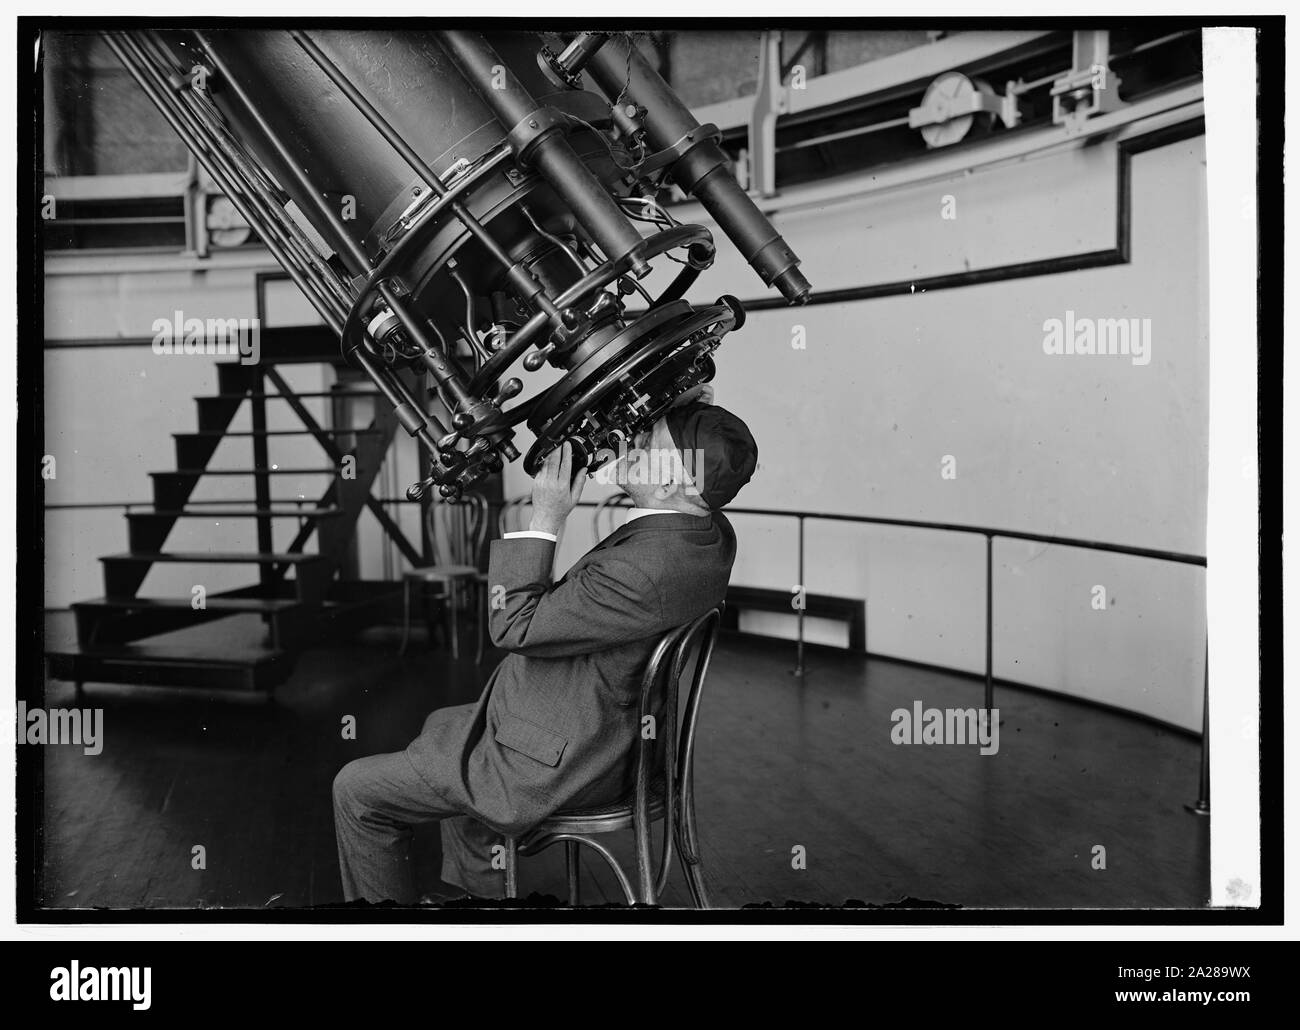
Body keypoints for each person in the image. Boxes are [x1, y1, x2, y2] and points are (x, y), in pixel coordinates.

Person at [332, 386, 758, 902]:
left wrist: (547, 519)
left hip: (572, 761)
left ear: (670, 481)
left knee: (355, 789)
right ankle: (484, 899)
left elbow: (511, 625)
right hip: (620, 741)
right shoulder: (708, 534)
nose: (633, 438)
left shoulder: (642, 570)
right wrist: (679, 405)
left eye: (647, 440)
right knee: (447, 727)